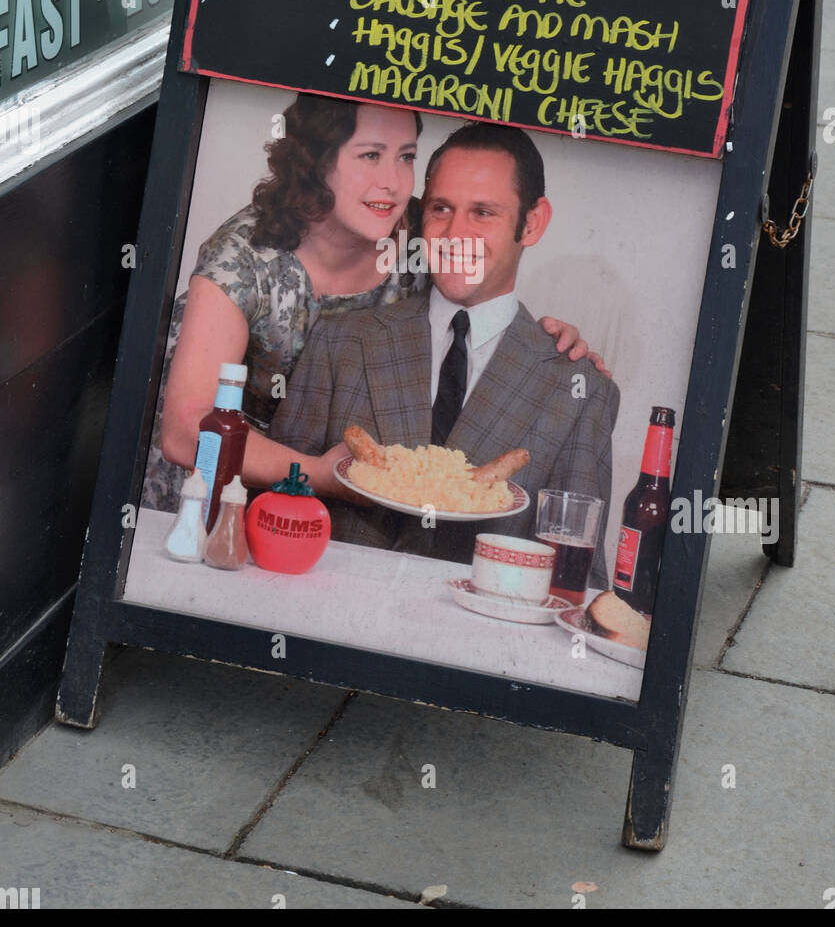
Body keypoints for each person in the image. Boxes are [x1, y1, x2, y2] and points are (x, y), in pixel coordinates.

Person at [142, 95, 607, 513]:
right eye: (370, 155)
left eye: (405, 157)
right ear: (316, 163)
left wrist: (547, 347)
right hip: (211, 480)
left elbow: (487, 263)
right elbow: (186, 431)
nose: (392, 182)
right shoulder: (245, 255)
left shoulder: (421, 223)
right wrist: (317, 473)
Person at [268, 121, 621, 576]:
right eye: (441, 208)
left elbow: (576, 574)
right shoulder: (341, 341)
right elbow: (276, 504)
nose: (455, 233)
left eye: (483, 213)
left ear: (531, 223)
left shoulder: (579, 390)